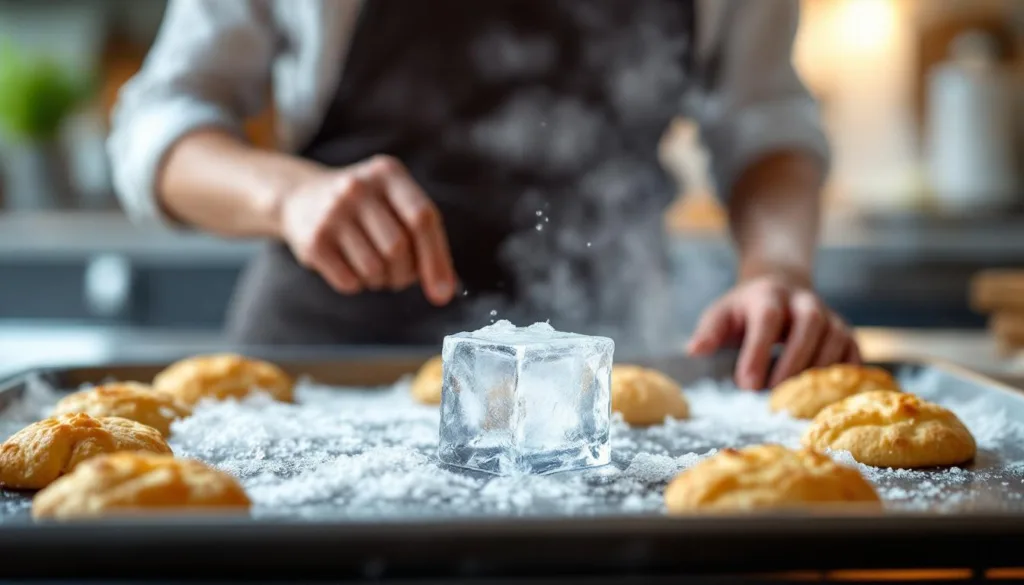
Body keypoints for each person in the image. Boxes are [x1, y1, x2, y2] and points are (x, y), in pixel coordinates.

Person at [109, 0, 860, 390]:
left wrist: (776, 270)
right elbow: (159, 122)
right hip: (325, 368)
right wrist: (290, 196)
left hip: (604, 367)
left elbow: (766, 123)